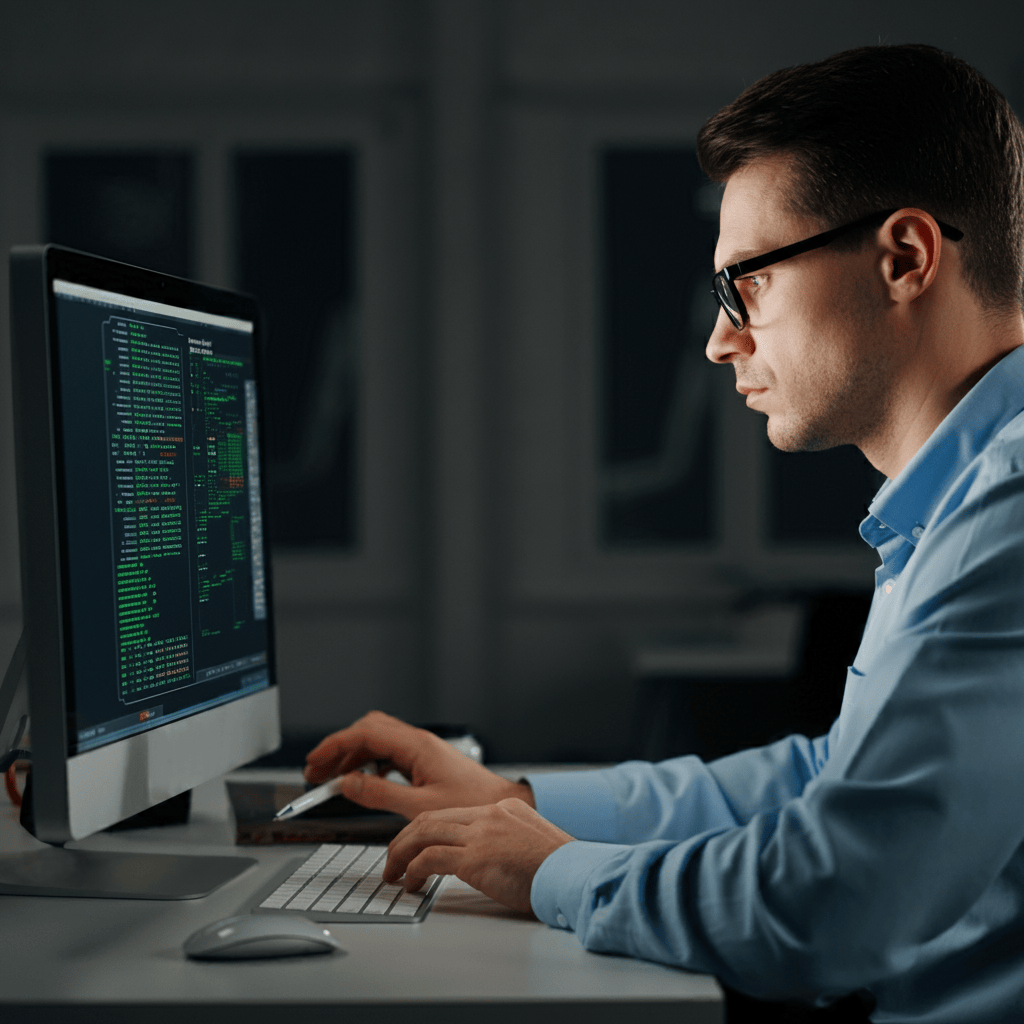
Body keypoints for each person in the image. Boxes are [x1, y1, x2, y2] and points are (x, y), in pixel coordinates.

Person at [305, 44, 1024, 1021]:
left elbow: (833, 902)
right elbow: (833, 778)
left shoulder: (1009, 507)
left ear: (902, 258)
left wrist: (556, 874)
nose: (719, 337)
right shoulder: (963, 492)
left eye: (746, 286)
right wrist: (515, 799)